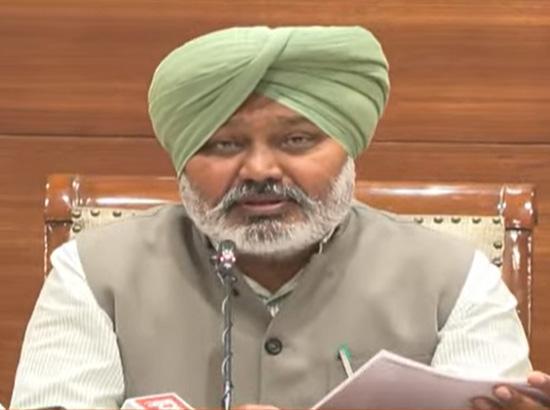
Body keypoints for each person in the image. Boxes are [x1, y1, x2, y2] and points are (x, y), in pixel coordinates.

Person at [9, 26, 548, 409]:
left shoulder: (458, 280)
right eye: (223, 144)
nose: (260, 169)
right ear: (182, 160)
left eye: (297, 140)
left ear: (348, 150)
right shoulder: (91, 275)